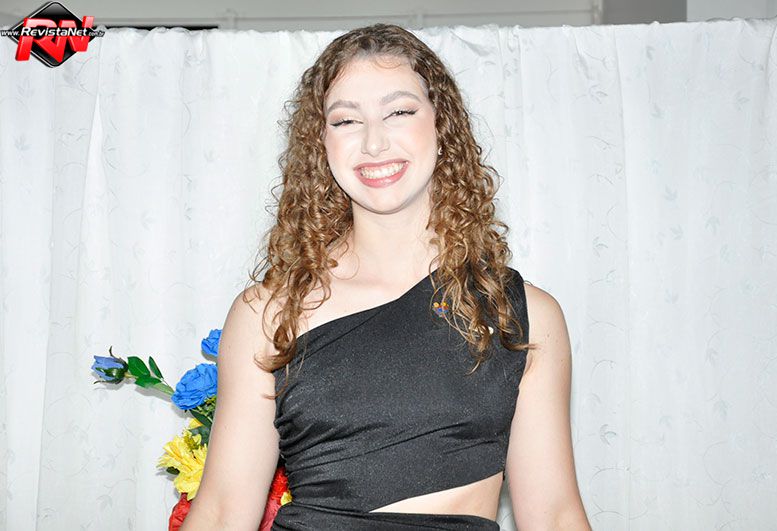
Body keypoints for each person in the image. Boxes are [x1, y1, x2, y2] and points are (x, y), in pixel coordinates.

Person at [182, 23, 590, 530]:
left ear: (442, 125)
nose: (374, 142)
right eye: (346, 120)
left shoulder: (523, 314)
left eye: (399, 112)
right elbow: (222, 511)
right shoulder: (267, 312)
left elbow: (554, 515)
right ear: (321, 143)